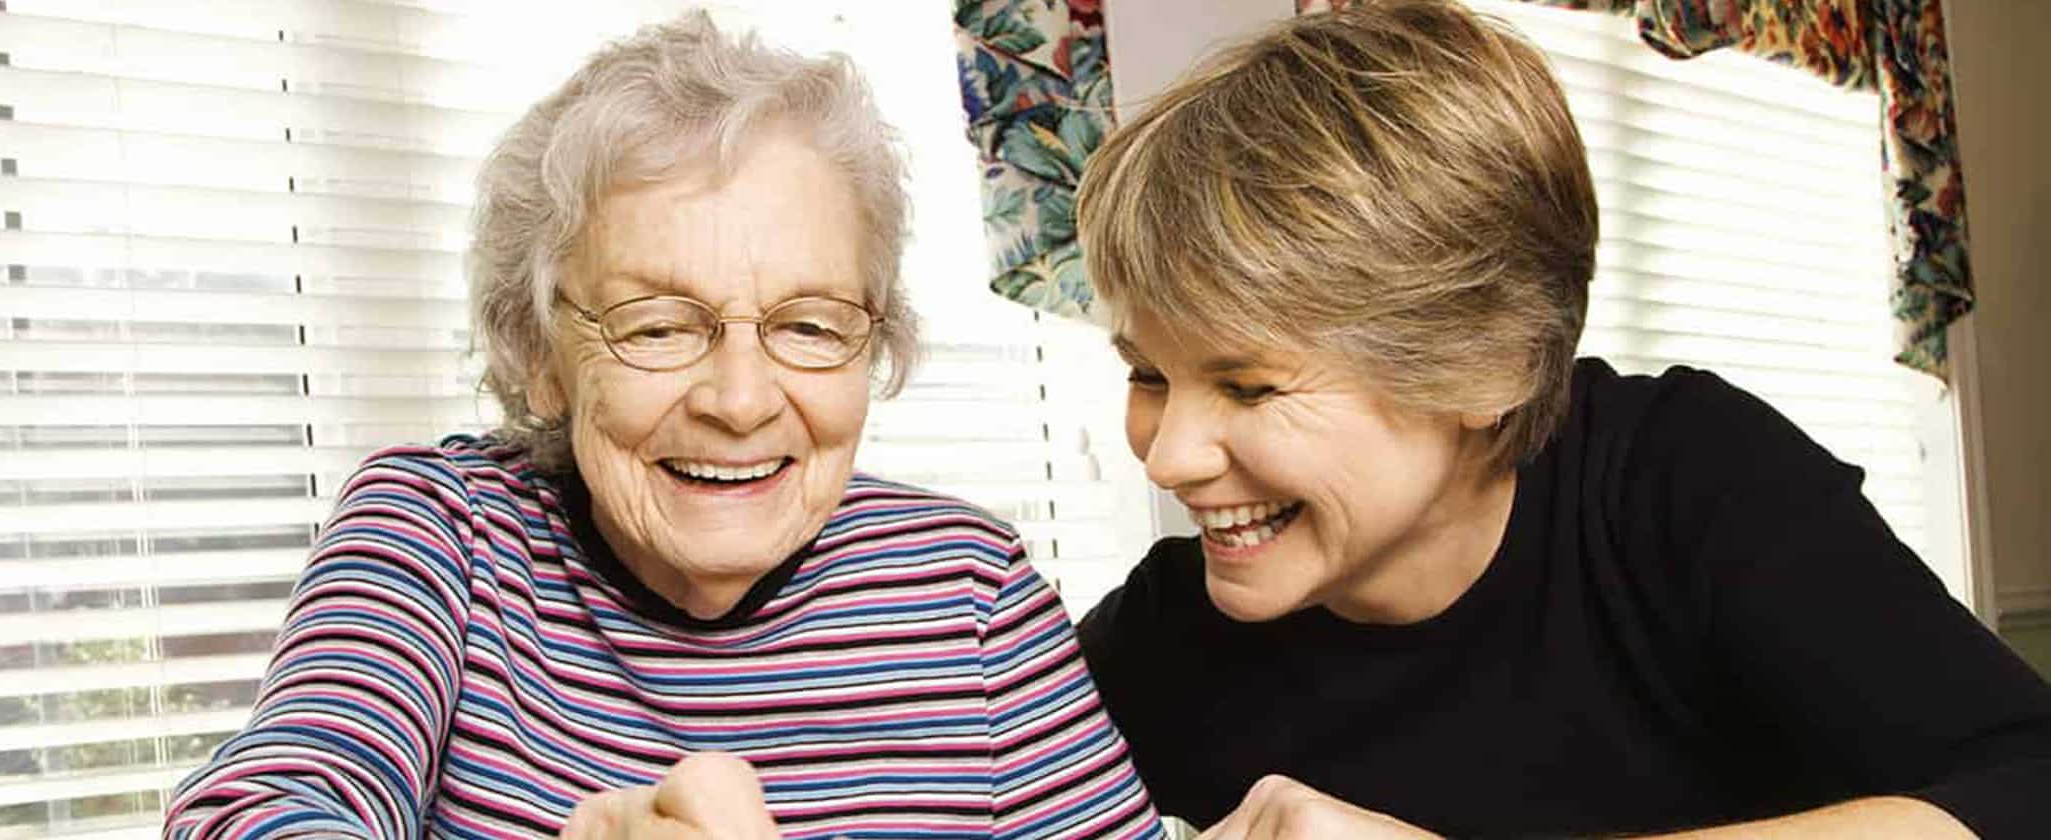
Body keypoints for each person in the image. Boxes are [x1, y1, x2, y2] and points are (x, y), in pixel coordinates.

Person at [163, 12, 1163, 840]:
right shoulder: (442, 533)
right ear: (541, 358)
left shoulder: (969, 590)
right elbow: (259, 812)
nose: (738, 400)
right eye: (658, 326)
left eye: (809, 325)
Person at [1069, 1, 2051, 838]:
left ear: (1484, 363)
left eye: (1248, 387)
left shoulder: (1683, 479)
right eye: (1149, 376)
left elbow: (2025, 786)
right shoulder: (1166, 633)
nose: (1170, 455)